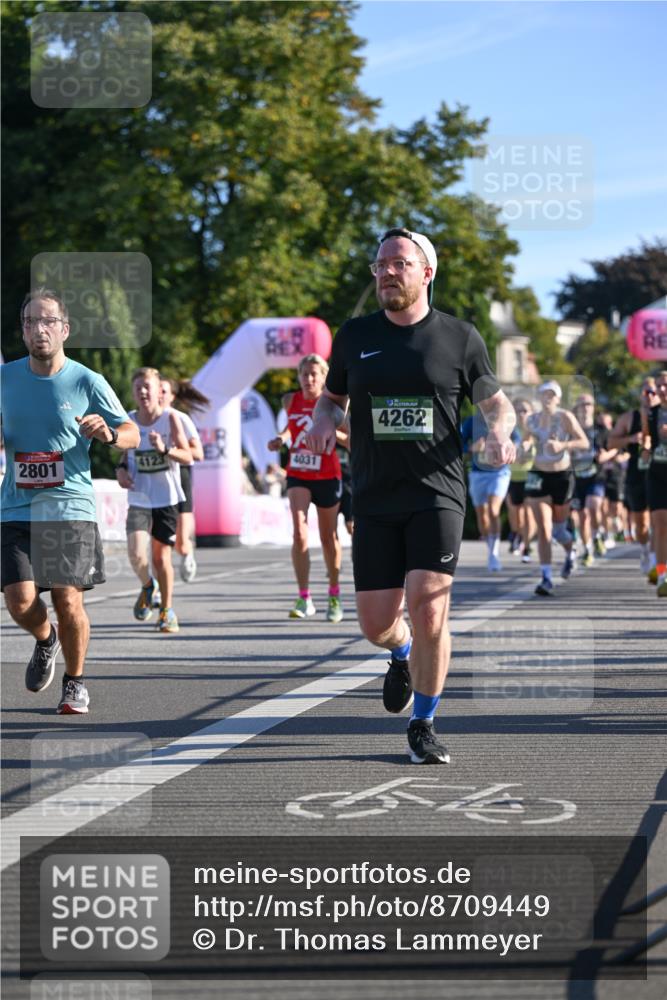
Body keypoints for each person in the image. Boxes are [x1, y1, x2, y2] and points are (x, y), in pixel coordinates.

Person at [305, 227, 516, 764]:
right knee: (377, 624)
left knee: (429, 612)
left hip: (438, 495)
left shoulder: (460, 337)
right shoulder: (353, 335)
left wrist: (501, 431)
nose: (386, 272)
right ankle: (399, 653)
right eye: (380, 265)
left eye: (399, 263)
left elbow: (497, 403)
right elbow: (331, 401)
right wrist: (322, 421)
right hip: (375, 497)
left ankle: (423, 723)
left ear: (427, 272)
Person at [0, 287, 139, 713]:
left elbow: (132, 433)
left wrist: (109, 434)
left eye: (47, 322)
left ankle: (75, 682)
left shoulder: (86, 380)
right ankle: (47, 639)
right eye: (29, 323)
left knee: (67, 598)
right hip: (16, 506)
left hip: (69, 504)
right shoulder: (6, 379)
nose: (38, 330)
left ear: (65, 329)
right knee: (20, 601)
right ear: (23, 332)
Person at [268, 354, 345, 623]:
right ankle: (304, 596)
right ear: (298, 376)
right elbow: (292, 427)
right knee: (299, 533)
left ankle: (334, 594)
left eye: (315, 375)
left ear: (324, 378)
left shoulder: (335, 405)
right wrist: (281, 438)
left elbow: (350, 437)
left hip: (327, 474)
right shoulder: (290, 400)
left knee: (327, 537)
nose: (309, 379)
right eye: (304, 374)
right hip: (299, 472)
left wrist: (333, 434)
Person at [116, 368, 192, 633]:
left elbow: (188, 457)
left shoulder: (171, 419)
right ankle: (148, 586)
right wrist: (121, 472)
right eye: (138, 388)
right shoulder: (128, 420)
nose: (143, 392)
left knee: (161, 559)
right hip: (139, 497)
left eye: (148, 387)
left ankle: (167, 611)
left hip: (166, 498)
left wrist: (165, 449)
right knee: (136, 554)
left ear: (160, 390)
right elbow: (123, 459)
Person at [524, 381, 588, 595]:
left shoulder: (565, 417)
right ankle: (546, 577)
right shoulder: (531, 419)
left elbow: (584, 442)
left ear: (558, 398)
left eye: (552, 394)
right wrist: (524, 446)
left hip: (562, 475)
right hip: (538, 474)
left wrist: (563, 445)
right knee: (544, 528)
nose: (548, 397)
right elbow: (526, 440)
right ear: (540, 397)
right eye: (544, 394)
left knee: (559, 529)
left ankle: (572, 551)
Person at [159, 376, 208, 583]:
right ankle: (159, 584)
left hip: (181, 479)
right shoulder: (140, 418)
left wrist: (170, 451)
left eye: (164, 391)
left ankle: (187, 552)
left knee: (180, 543)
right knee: (159, 543)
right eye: (157, 390)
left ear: (172, 397)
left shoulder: (180, 418)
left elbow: (198, 454)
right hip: (157, 482)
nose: (159, 395)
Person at [609, 377, 656, 576]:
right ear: (640, 395)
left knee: (661, 519)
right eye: (647, 392)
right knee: (642, 523)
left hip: (660, 473)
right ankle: (645, 550)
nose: (651, 396)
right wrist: (630, 438)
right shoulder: (630, 418)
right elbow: (611, 442)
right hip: (637, 474)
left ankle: (657, 562)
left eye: (654, 391)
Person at [461, 411, 519, 572]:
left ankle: (494, 554)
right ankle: (490, 546)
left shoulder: (504, 419)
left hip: (499, 473)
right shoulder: (471, 421)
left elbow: (517, 438)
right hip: (478, 473)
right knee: (482, 516)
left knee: (494, 510)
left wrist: (512, 447)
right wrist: (471, 448)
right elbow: (459, 442)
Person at [569, 394, 618, 567]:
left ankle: (597, 534)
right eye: (581, 404)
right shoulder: (571, 429)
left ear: (593, 406)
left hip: (596, 475)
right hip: (577, 477)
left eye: (588, 404)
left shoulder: (601, 429)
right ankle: (589, 549)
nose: (585, 407)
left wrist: (607, 455)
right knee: (582, 517)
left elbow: (615, 448)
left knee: (593, 506)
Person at [641, 370, 667, 597]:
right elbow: (647, 436)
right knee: (659, 524)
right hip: (657, 472)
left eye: (665, 385)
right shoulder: (652, 413)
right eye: (659, 386)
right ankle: (662, 576)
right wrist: (646, 448)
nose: (661, 390)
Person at [505, 398, 537, 562]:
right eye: (518, 411)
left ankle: (527, 546)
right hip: (512, 477)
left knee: (527, 513)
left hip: (531, 478)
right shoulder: (509, 432)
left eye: (525, 410)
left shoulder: (537, 432)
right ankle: (516, 534)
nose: (522, 414)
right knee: (515, 513)